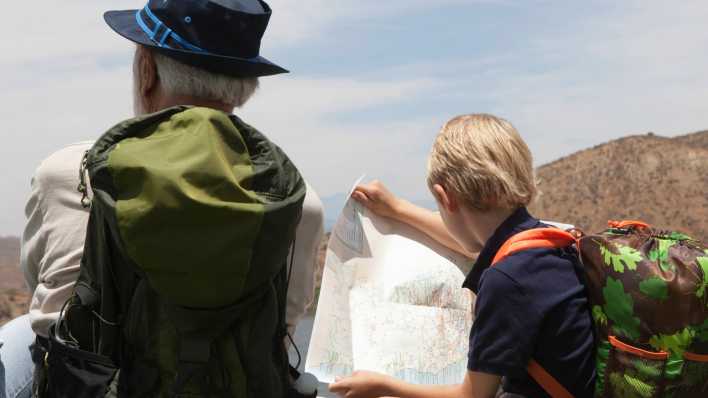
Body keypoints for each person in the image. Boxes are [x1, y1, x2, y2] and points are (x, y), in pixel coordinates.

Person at [2, 1, 323, 397]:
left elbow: (46, 295)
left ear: (147, 70)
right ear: (245, 89)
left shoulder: (68, 173)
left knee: (16, 337)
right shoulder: (297, 201)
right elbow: (285, 326)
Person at [330, 114, 595, 397]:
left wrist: (382, 385)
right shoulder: (548, 243)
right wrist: (397, 209)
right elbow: (474, 245)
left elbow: (472, 396)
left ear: (445, 197)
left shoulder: (504, 280)